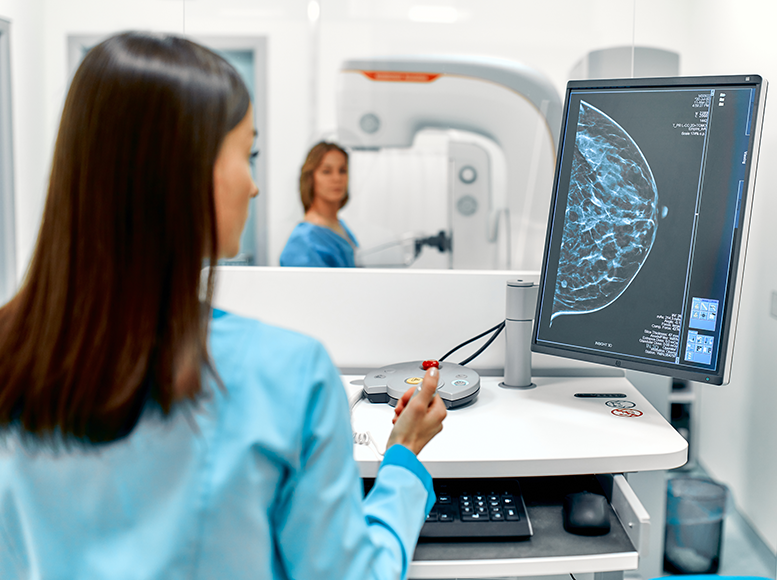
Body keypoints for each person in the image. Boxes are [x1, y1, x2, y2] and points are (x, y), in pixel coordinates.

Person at [0, 32, 446, 580]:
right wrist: (401, 461)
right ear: (189, 172)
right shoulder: (286, 375)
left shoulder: (11, 355)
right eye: (248, 156)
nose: (255, 187)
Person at [280, 142, 359, 268]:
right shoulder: (305, 239)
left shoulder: (340, 225)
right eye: (326, 171)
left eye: (342, 171)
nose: (337, 178)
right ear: (311, 178)